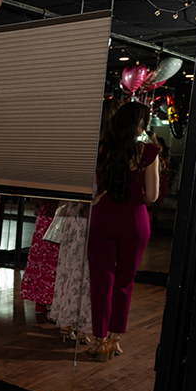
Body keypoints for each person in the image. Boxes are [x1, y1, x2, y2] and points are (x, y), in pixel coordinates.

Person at [87, 102, 159, 361]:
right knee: (125, 281)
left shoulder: (102, 147)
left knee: (101, 280)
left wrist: (95, 200)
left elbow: (86, 184)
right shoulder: (148, 151)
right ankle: (114, 339)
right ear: (140, 124)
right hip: (134, 219)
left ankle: (99, 341)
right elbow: (152, 196)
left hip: (103, 216)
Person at [49, 99, 120, 346]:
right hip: (91, 213)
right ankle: (78, 325)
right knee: (87, 270)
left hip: (76, 212)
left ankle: (67, 321)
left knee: (71, 266)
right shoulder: (107, 150)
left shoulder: (85, 146)